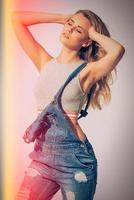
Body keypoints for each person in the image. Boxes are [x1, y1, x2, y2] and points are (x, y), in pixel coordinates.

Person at [11, 9, 125, 200]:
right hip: (42, 156)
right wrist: (61, 18)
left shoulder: (87, 71)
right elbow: (16, 19)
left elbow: (117, 50)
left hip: (75, 159)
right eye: (70, 24)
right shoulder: (44, 61)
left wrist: (93, 33)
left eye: (78, 30)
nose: (70, 29)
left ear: (87, 40)